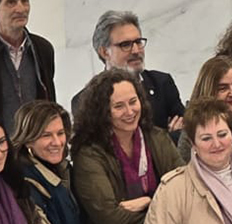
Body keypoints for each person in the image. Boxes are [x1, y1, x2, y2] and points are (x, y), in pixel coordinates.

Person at [70, 70, 184, 224]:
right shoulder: (89, 153)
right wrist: (166, 216)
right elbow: (111, 219)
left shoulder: (157, 137)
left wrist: (148, 201)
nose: (130, 111)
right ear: (102, 111)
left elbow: (183, 193)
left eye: (133, 102)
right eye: (119, 106)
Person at [74, 10, 184, 139]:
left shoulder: (162, 84)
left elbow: (187, 134)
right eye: (125, 45)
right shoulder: (85, 99)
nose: (136, 50)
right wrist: (168, 138)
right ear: (104, 52)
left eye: (138, 42)